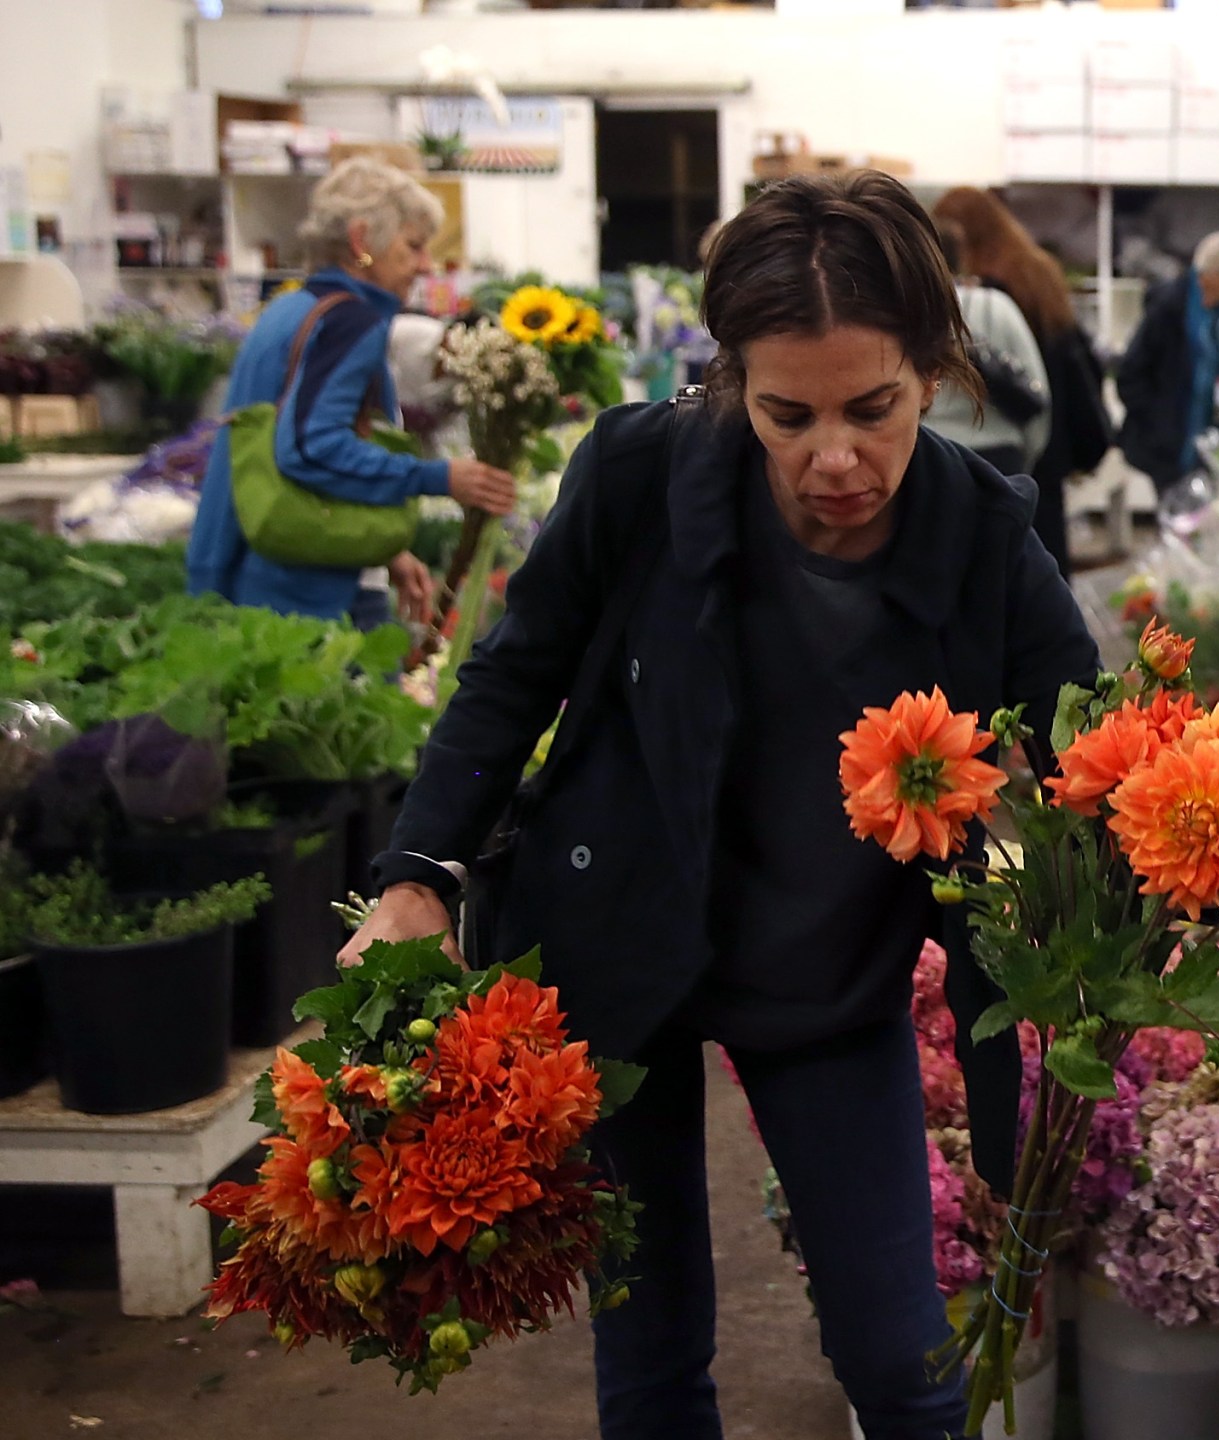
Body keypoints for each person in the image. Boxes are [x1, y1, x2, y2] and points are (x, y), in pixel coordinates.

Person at [343, 170, 1101, 1440]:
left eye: (874, 410)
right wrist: (417, 875)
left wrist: (1129, 866)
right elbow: (510, 678)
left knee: (899, 1351)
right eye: (785, 415)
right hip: (615, 938)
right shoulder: (643, 478)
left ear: (933, 368)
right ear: (727, 380)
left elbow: (1090, 747)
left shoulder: (981, 534)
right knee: (648, 1344)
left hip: (828, 970)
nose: (834, 458)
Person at [186, 157, 517, 625]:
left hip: (243, 568)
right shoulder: (351, 322)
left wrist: (387, 553)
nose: (425, 266)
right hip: (304, 595)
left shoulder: (293, 308)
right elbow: (309, 447)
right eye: (414, 246)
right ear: (362, 241)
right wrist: (439, 477)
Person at [931, 187, 1114, 572]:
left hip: (999, 451)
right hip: (1041, 447)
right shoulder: (1036, 271)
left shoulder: (981, 295)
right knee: (1038, 575)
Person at [1115, 229, 1219, 493]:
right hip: (1169, 446)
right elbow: (1131, 376)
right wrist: (1159, 426)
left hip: (1211, 442)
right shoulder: (1169, 309)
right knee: (1177, 516)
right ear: (1214, 276)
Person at [922, 217, 1050, 479]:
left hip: (929, 455)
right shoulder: (996, 306)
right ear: (962, 257)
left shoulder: (908, 307)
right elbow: (1037, 390)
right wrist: (1028, 455)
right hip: (1000, 455)